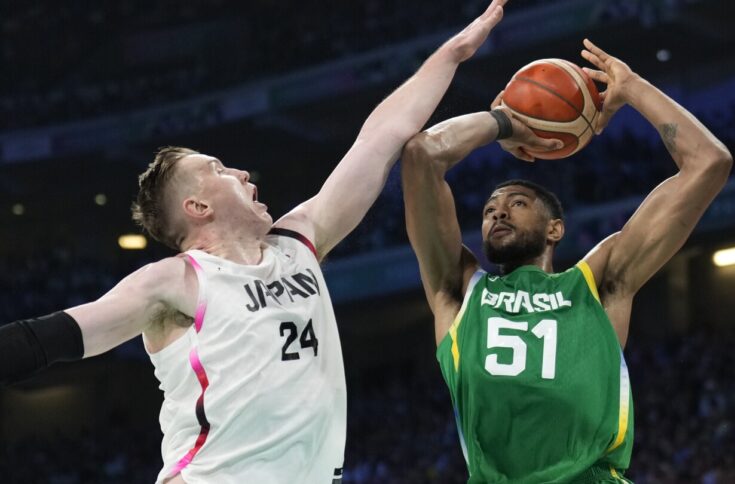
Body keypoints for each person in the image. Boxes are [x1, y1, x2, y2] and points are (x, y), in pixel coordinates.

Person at [0, 2, 508, 482]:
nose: (241, 172)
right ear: (197, 208)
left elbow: (381, 137)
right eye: (217, 170)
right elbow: (49, 338)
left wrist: (451, 55)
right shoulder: (174, 281)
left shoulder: (300, 240)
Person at [400, 39, 733, 483]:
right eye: (488, 210)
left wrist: (632, 88)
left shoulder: (599, 282)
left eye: (516, 202)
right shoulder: (459, 290)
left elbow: (709, 162)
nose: (497, 212)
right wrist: (503, 122)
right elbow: (422, 155)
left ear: (555, 229)